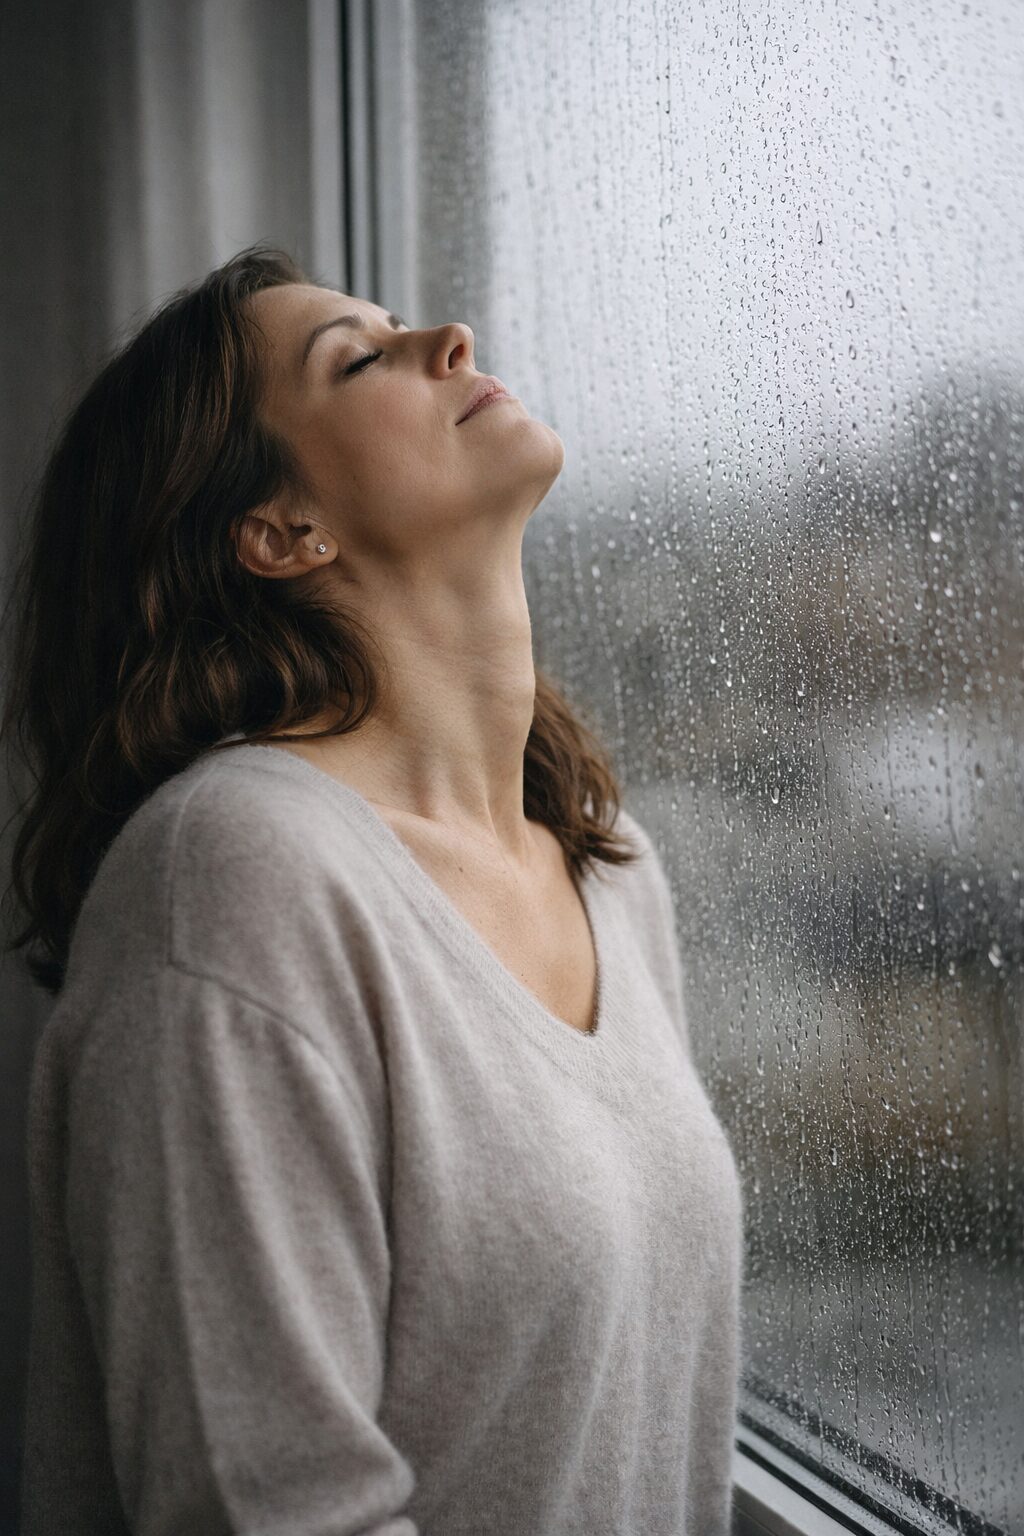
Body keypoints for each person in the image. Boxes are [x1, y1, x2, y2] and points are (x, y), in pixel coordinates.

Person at [4, 244, 744, 1534]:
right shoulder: (233, 877)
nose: (448, 338)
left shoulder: (606, 865)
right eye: (359, 360)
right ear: (281, 531)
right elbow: (267, 1510)